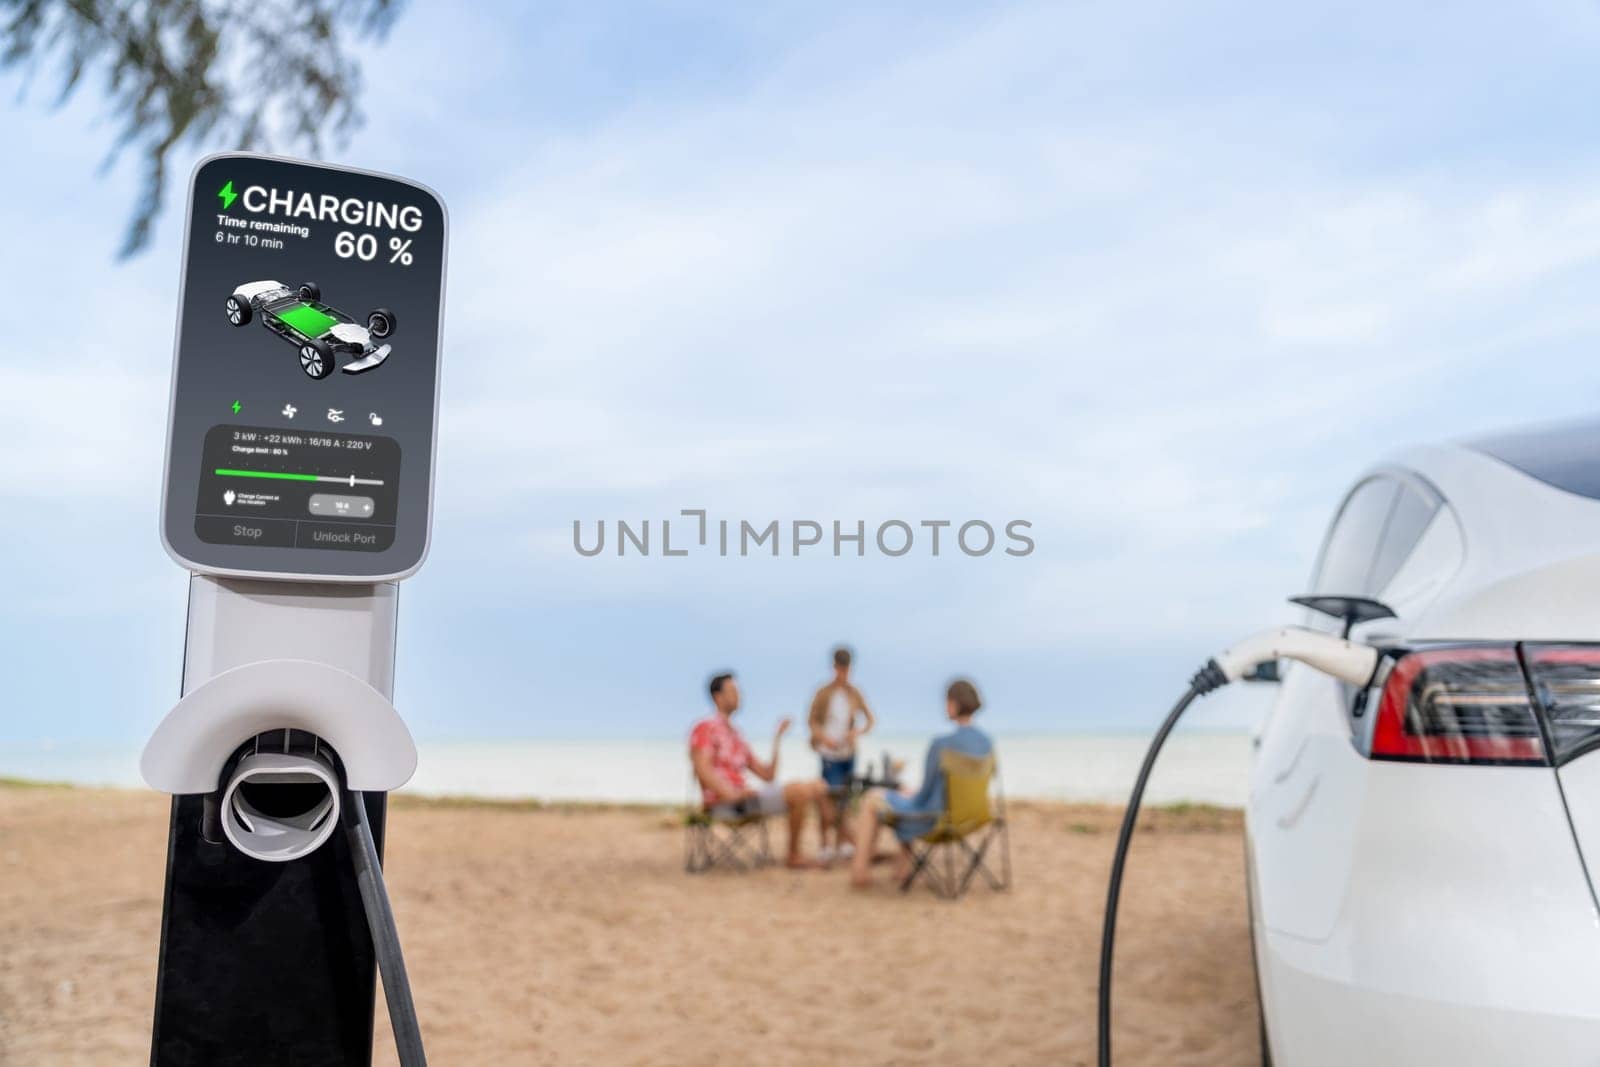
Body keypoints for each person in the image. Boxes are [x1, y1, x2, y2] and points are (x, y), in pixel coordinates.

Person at [849, 678, 992, 889]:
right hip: (973, 816)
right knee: (903, 797)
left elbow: (924, 794)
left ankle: (860, 872)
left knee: (872, 800)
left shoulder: (942, 744)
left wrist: (908, 794)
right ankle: (902, 867)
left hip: (937, 819)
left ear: (953, 703)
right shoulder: (986, 743)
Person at [690, 671, 832, 869]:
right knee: (799, 791)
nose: (738, 696)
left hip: (747, 799)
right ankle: (793, 855)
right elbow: (703, 770)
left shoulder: (736, 734)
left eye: (738, 691)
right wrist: (732, 794)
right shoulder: (705, 727)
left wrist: (777, 738)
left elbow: (768, 775)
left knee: (819, 785)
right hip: (726, 804)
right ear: (717, 696)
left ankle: (828, 849)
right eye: (732, 691)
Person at [807, 645, 876, 862]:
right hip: (828, 753)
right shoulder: (824, 692)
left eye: (847, 670)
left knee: (846, 800)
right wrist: (823, 737)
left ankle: (843, 843)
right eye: (840, 669)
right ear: (834, 667)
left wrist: (856, 732)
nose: (843, 674)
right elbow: (812, 721)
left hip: (848, 753)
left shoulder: (854, 692)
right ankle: (825, 844)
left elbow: (870, 720)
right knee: (826, 798)